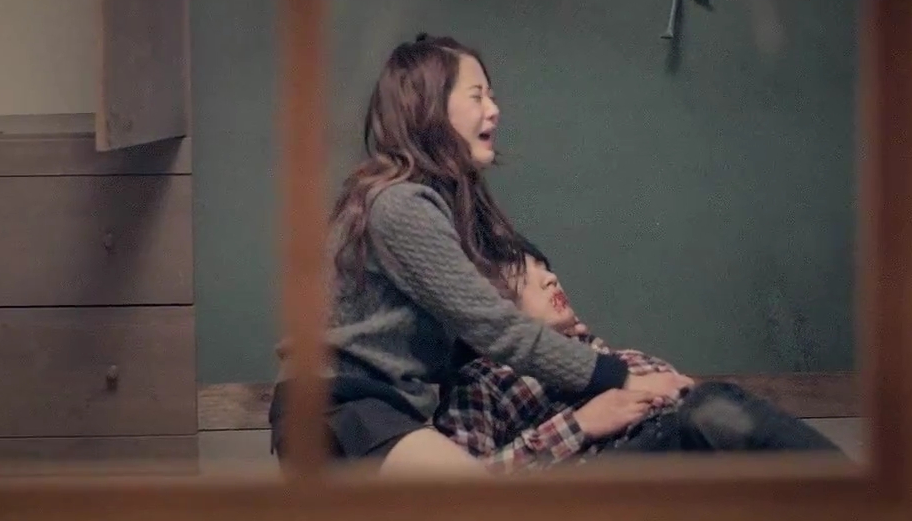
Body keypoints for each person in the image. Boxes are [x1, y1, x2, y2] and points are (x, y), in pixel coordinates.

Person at [268, 34, 695, 474]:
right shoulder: (400, 204)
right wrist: (622, 377)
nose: (494, 109)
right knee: (478, 503)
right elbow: (494, 326)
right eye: (477, 96)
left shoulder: (440, 205)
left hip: (382, 409)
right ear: (429, 107)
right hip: (335, 406)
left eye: (492, 96)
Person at [435, 242, 842, 470]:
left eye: (547, 267)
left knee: (722, 416)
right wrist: (579, 425)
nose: (551, 278)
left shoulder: (615, 356)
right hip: (611, 468)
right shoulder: (484, 378)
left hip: (687, 443)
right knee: (714, 410)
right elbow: (465, 487)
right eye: (526, 275)